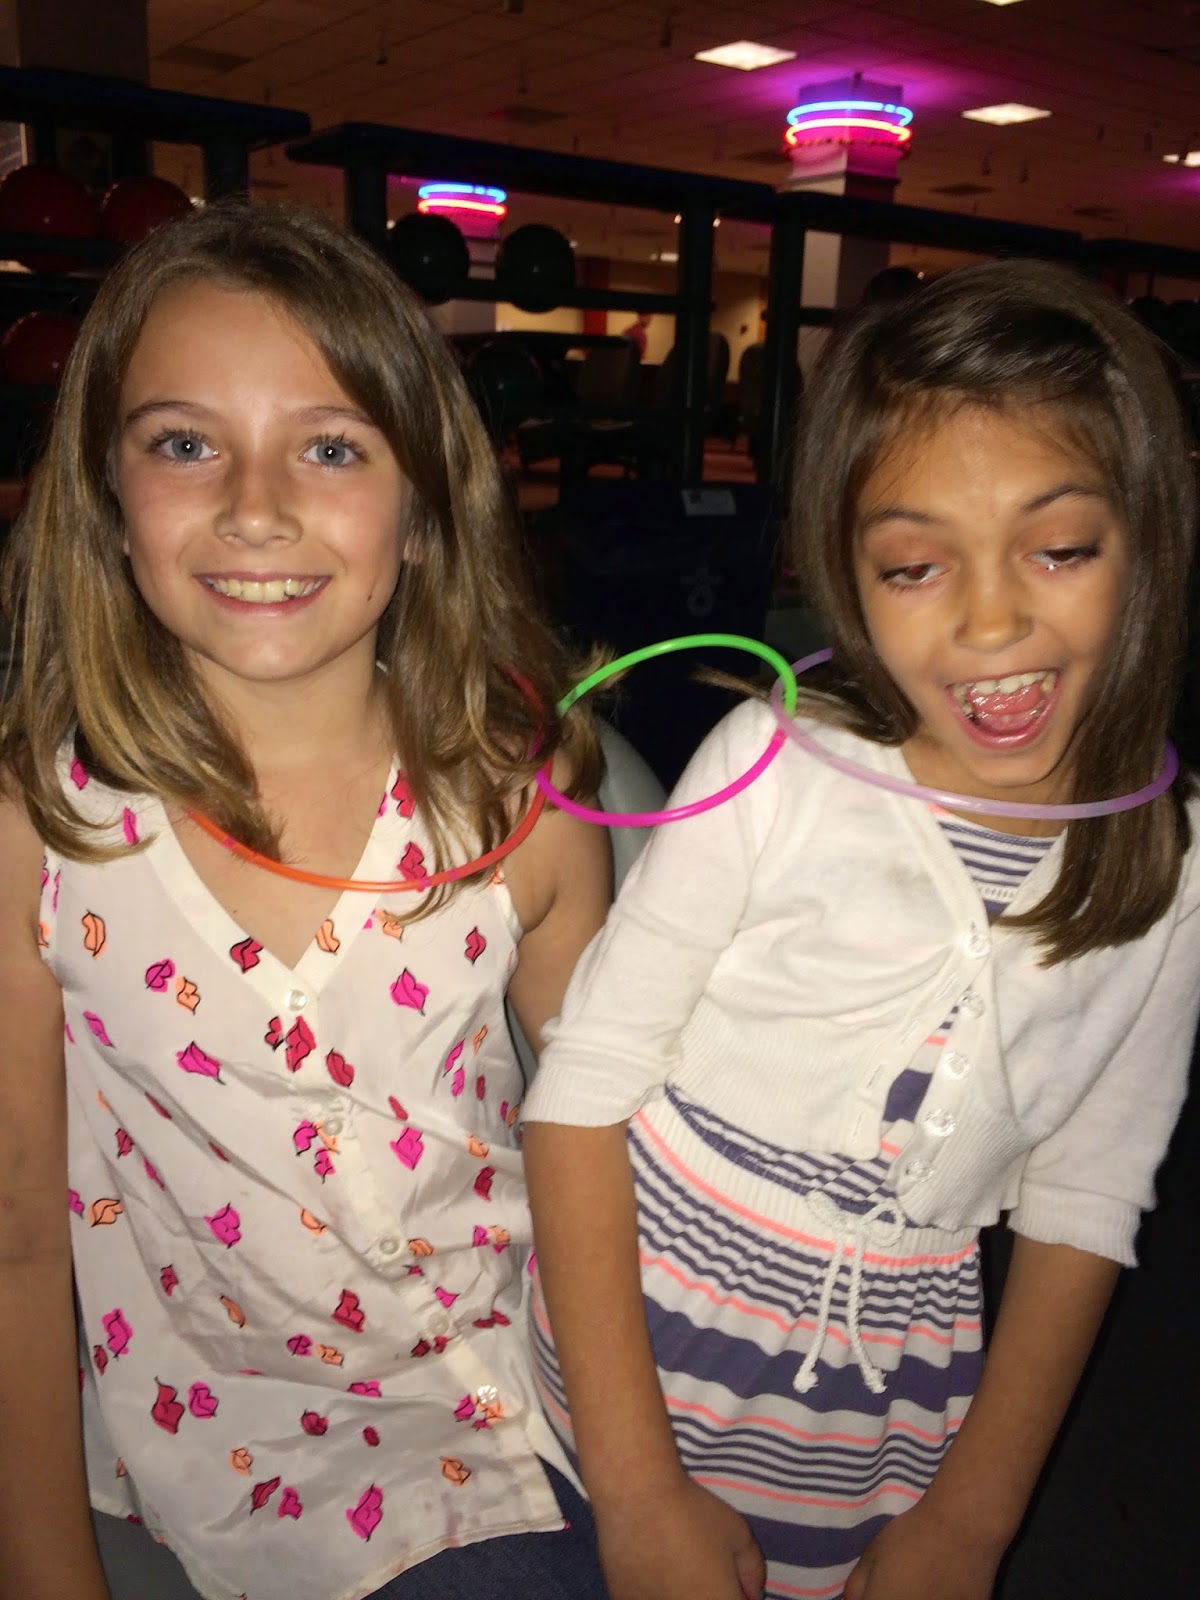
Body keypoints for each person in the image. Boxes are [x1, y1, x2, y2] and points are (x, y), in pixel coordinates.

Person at [521, 258, 1200, 1600]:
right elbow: (581, 1089)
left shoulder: (1167, 865)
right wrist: (639, 1491)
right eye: (915, 565)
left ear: (1147, 542)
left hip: (875, 1424)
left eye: (1061, 548)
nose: (992, 618)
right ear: (848, 573)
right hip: (615, 1372)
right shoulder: (772, 766)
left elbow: (1085, 1196)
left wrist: (971, 1525)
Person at [0, 201, 613, 1600]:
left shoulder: (525, 803)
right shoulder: (41, 831)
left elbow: (611, 1156)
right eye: (184, 444)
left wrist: (642, 1488)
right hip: (278, 1453)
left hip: (553, 1378)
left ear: (425, 502)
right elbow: (21, 1222)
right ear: (104, 496)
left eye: (330, 447)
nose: (256, 508)